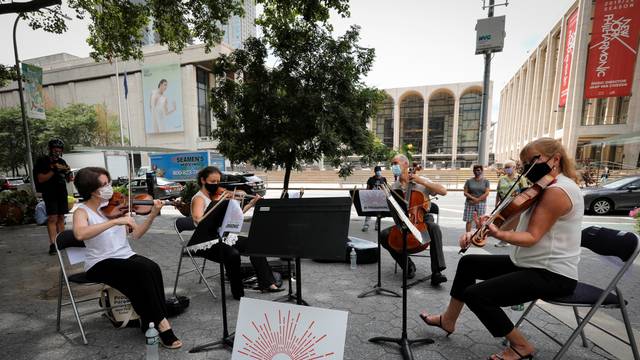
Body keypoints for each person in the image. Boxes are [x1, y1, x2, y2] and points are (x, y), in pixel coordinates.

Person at [418, 137, 582, 360]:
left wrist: (499, 234)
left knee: (477, 295)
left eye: (532, 162)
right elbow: (513, 219)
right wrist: (482, 229)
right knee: (469, 263)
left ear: (555, 159)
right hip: (529, 263)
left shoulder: (558, 191)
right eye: (524, 164)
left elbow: (532, 236)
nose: (526, 169)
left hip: (552, 273)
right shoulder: (543, 187)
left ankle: (521, 346)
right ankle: (448, 320)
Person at [71, 167, 182, 349]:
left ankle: (148, 322)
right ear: (92, 191)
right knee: (140, 272)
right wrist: (114, 221)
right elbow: (80, 234)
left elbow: (136, 234)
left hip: (124, 255)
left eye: (109, 182)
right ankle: (163, 325)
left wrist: (152, 214)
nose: (110, 188)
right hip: (99, 263)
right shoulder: (82, 212)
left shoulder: (115, 206)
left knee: (152, 268)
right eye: (105, 184)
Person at [190, 166, 283, 300]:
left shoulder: (218, 196)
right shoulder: (199, 199)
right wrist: (215, 207)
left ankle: (267, 283)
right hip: (205, 241)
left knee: (253, 244)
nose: (216, 185)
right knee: (232, 254)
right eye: (212, 182)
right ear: (203, 180)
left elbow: (232, 219)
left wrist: (250, 204)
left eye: (218, 182)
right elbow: (198, 220)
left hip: (223, 237)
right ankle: (238, 293)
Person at [378, 154, 448, 287]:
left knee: (434, 228)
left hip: (423, 219)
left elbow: (443, 191)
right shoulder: (394, 187)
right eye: (392, 164)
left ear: (405, 164)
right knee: (384, 235)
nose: (393, 167)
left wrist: (421, 181)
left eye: (395, 163)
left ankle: (437, 272)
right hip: (403, 220)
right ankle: (408, 265)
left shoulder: (421, 180)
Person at [34, 139, 73, 255]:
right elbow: (41, 178)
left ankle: (62, 242)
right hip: (50, 193)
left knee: (61, 218)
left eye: (59, 149)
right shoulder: (43, 161)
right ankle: (53, 244)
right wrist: (53, 170)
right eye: (55, 149)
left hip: (62, 192)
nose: (57, 151)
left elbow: (68, 180)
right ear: (50, 149)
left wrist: (69, 174)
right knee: (52, 218)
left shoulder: (62, 161)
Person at [494, 160, 524, 247]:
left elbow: (525, 191)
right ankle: (504, 241)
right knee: (504, 223)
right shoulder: (502, 179)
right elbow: (498, 192)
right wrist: (497, 203)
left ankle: (519, 240)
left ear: (514, 168)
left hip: (516, 204)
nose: (506, 169)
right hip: (503, 204)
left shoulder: (520, 178)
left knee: (516, 223)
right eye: (505, 167)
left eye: (508, 167)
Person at [463, 164, 490, 233]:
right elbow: (465, 192)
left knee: (480, 220)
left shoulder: (486, 181)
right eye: (475, 170)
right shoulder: (469, 181)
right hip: (470, 203)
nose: (476, 171)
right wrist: (473, 198)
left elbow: (486, 193)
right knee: (469, 220)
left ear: (482, 171)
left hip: (481, 203)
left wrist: (478, 200)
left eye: (478, 170)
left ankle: (478, 235)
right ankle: (468, 235)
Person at [362, 165, 387, 232]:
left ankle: (377, 226)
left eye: (379, 171)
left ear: (381, 171)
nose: (378, 172)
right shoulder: (371, 179)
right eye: (377, 171)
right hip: (372, 198)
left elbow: (386, 189)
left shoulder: (383, 179)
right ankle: (366, 226)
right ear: (375, 172)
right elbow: (367, 189)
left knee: (379, 213)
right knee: (369, 212)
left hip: (380, 199)